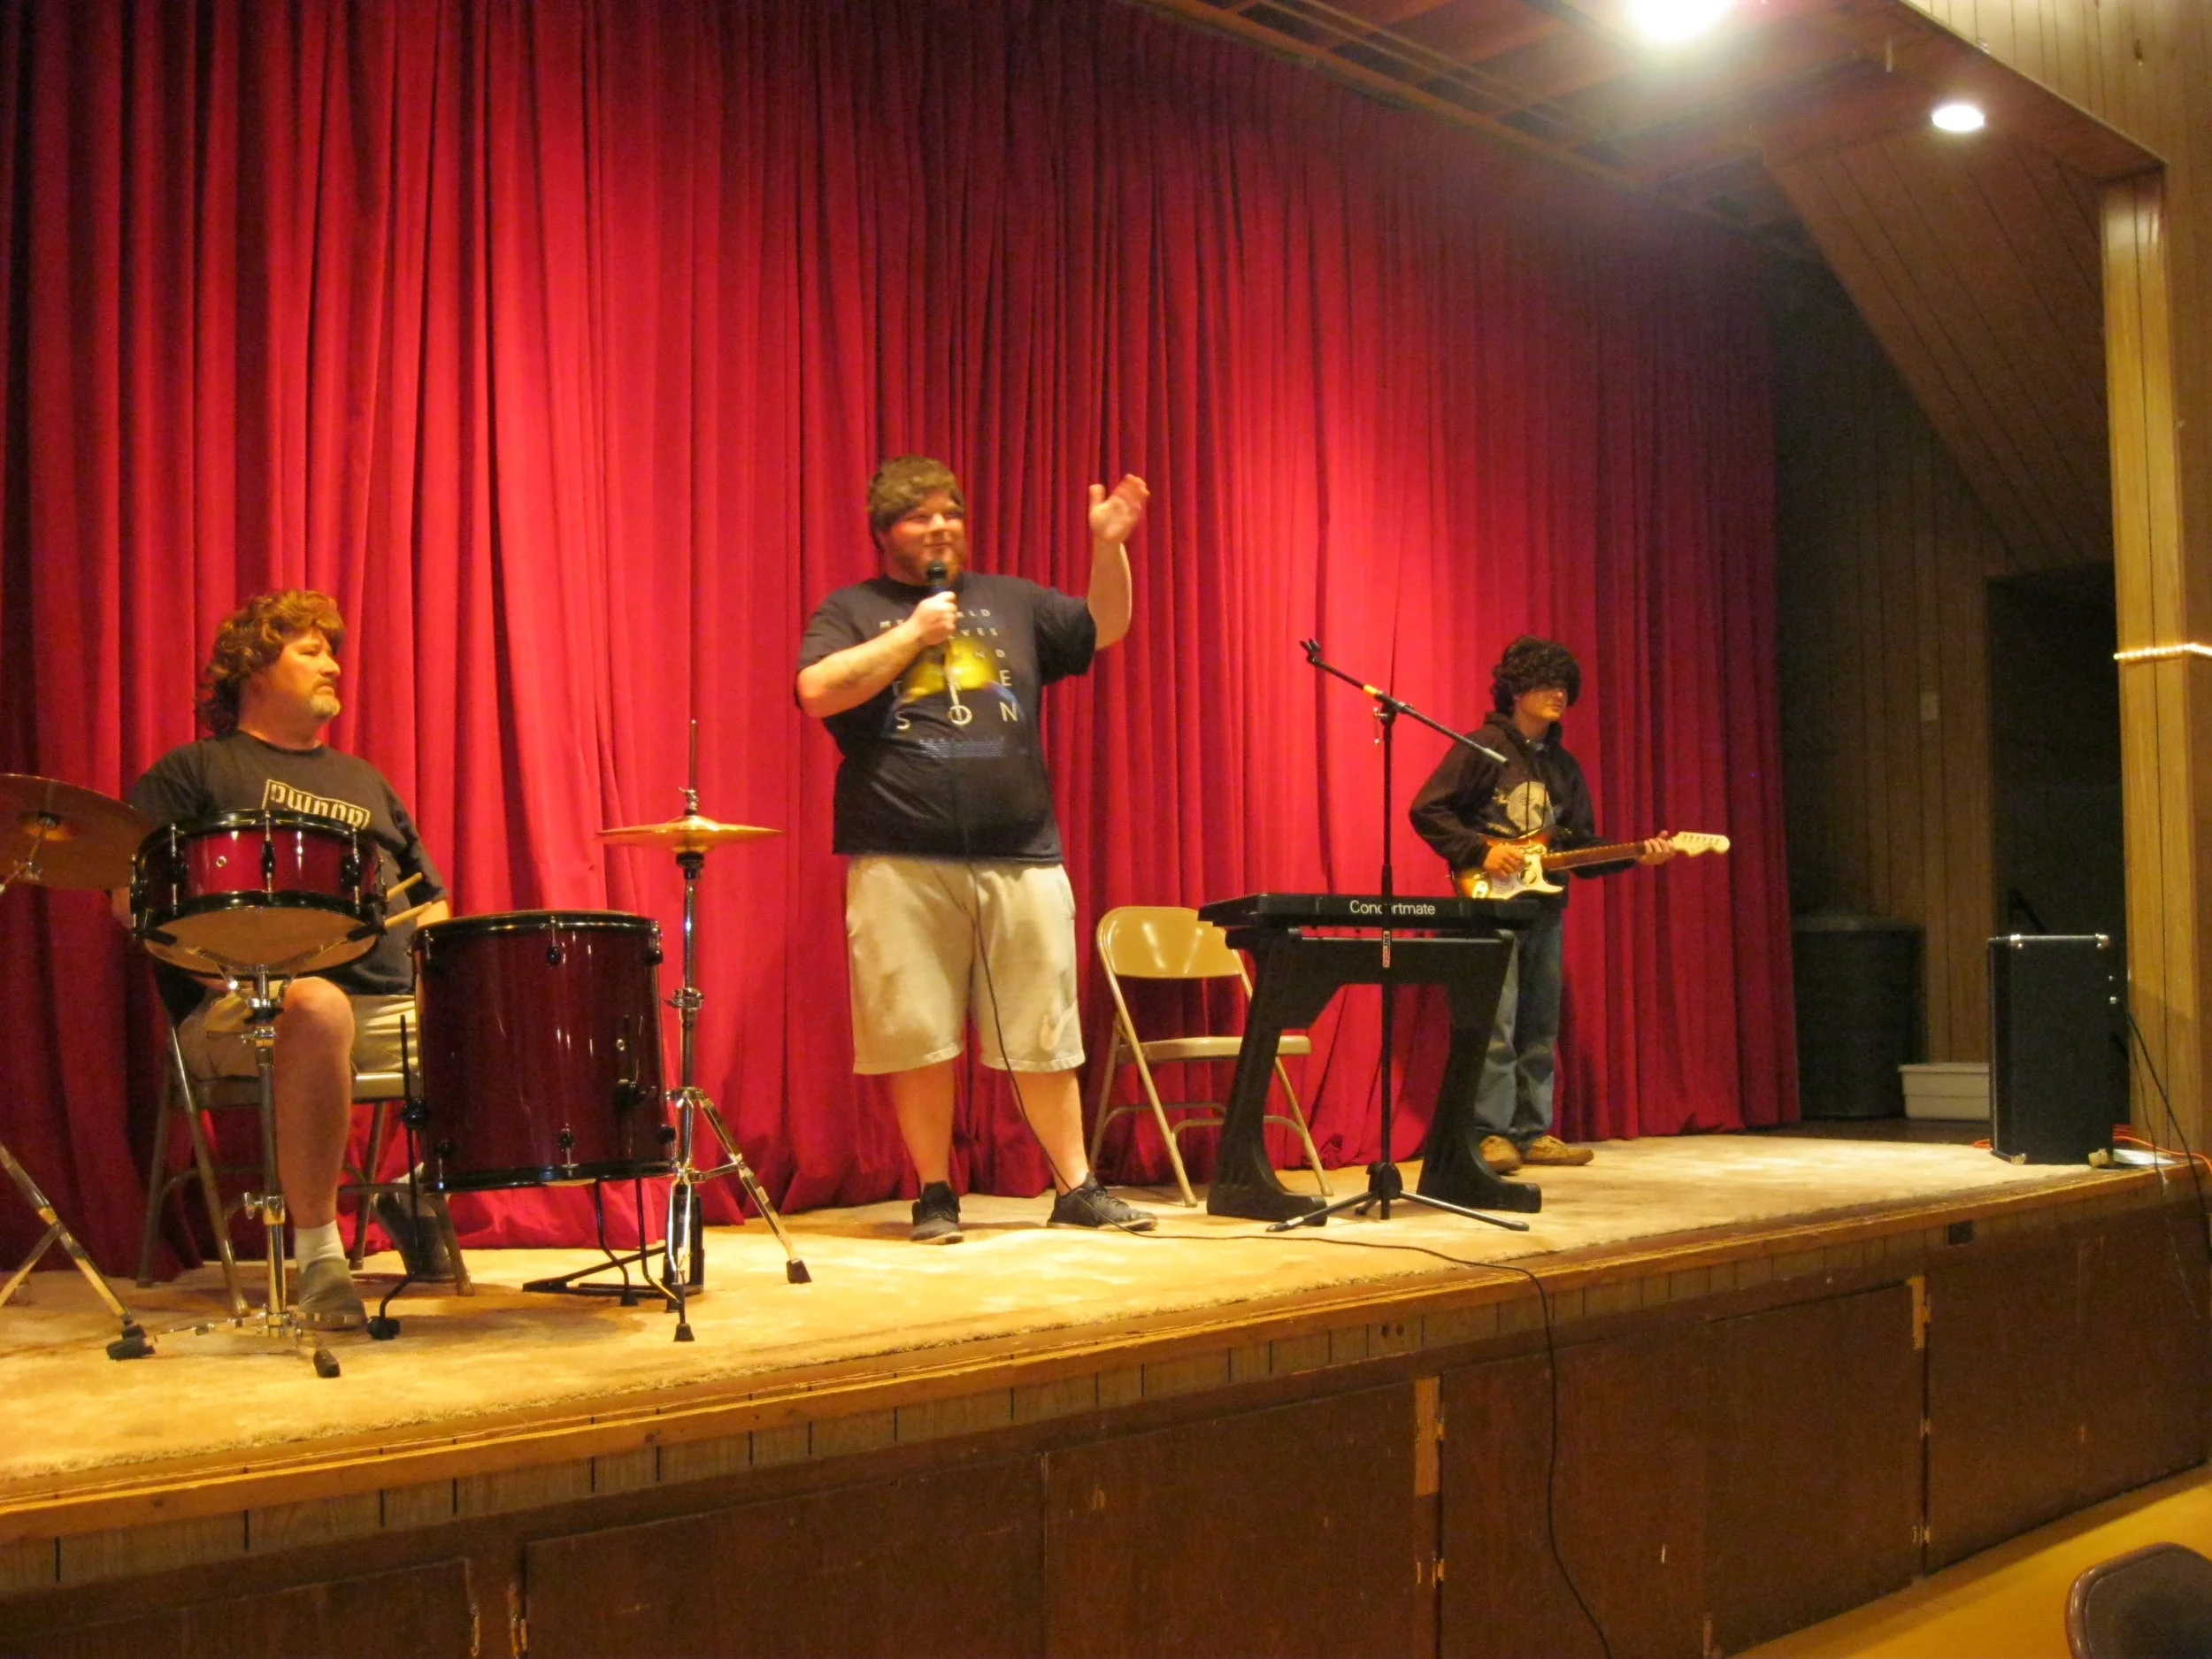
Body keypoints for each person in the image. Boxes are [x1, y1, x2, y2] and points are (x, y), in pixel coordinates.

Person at [795, 456, 1156, 1243]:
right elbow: (817, 690)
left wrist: (1107, 549)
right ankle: (935, 1191)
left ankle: (1076, 1185)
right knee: (917, 1033)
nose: (940, 527)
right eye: (920, 515)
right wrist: (912, 634)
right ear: (884, 532)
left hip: (1021, 853)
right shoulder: (853, 608)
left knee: (1044, 1028)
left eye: (951, 512)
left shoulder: (1013, 599)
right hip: (899, 857)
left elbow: (1106, 626)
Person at [119, 591, 449, 1327]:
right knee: (317, 1003)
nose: (333, 664)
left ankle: (421, 1189)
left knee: (503, 1001)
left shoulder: (365, 780)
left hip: (388, 1006)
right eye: (310, 650)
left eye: (332, 651)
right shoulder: (193, 772)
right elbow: (130, 900)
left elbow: (430, 900)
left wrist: (444, 980)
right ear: (255, 670)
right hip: (242, 1009)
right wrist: (234, 975)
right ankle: (321, 1256)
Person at [1408, 635, 1672, 1171]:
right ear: (1515, 690)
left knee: (1539, 1026)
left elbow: (1579, 849)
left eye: (1564, 686)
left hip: (1546, 910)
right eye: (1545, 683)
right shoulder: (1483, 748)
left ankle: (1532, 1132)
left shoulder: (1565, 768)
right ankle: (1489, 1134)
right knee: (1497, 1024)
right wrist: (1483, 850)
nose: (1558, 694)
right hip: (1490, 907)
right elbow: (1428, 809)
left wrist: (1635, 856)